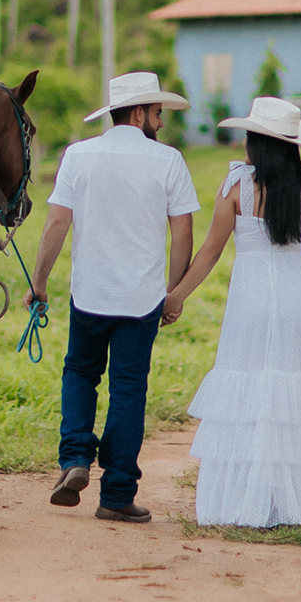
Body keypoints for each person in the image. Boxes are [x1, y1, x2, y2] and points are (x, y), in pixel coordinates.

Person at [163, 95, 301, 529]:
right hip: (297, 298)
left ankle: (241, 500)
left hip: (248, 302)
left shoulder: (236, 188)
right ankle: (293, 503)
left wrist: (176, 295)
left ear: (255, 144)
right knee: (293, 395)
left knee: (249, 394)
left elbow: (211, 252)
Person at [25, 70, 199, 524]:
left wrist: (39, 283)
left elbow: (56, 225)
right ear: (139, 112)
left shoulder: (78, 156)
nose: (161, 122)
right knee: (128, 390)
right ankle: (117, 493)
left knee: (80, 373)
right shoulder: (169, 162)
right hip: (140, 300)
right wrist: (174, 292)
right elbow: (183, 233)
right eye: (158, 113)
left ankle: (75, 459)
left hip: (89, 295)